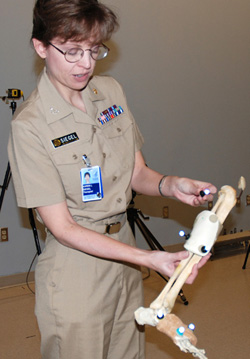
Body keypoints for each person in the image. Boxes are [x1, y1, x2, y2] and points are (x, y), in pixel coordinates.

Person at [8, 1, 216, 358]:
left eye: (93, 50)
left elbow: (137, 173)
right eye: (72, 51)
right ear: (40, 46)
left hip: (124, 252)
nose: (86, 63)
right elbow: (64, 228)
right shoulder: (30, 126)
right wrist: (151, 259)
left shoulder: (110, 92)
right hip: (76, 267)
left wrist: (172, 184)